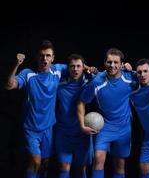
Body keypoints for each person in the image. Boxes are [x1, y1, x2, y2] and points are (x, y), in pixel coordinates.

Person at [5, 40, 67, 178]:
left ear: (53, 58)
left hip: (48, 127)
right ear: (37, 57)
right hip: (31, 128)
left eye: (48, 55)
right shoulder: (28, 74)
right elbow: (9, 85)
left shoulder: (57, 70)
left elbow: (76, 66)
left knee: (44, 163)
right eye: (41, 55)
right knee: (35, 161)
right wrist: (16, 64)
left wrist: (88, 68)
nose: (44, 59)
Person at [77, 48, 136, 178]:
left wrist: (131, 70)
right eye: (109, 62)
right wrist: (82, 125)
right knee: (98, 158)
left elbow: (147, 77)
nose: (112, 65)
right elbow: (81, 101)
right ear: (104, 63)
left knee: (119, 165)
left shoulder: (130, 78)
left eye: (116, 62)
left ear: (121, 64)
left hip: (123, 127)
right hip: (104, 127)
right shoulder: (97, 82)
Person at [55, 53, 96, 178]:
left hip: (82, 133)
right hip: (64, 132)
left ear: (83, 67)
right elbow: (50, 66)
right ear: (68, 68)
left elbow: (106, 76)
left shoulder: (90, 81)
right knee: (64, 167)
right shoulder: (59, 82)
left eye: (79, 66)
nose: (75, 69)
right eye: (72, 66)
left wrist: (91, 69)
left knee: (80, 169)